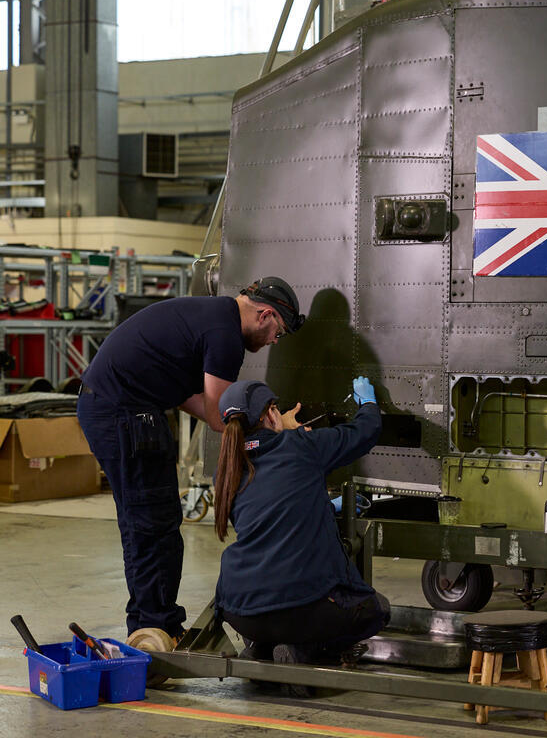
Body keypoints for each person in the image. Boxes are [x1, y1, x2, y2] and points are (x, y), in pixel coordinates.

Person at [76, 277, 306, 640]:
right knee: (152, 525)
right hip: (124, 413)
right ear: (265, 315)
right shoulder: (227, 336)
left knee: (153, 522)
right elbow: (221, 415)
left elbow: (187, 397)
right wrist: (275, 427)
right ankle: (152, 627)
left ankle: (157, 621)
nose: (273, 342)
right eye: (278, 333)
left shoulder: (214, 317)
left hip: (119, 408)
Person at [213, 375, 389, 679]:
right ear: (270, 414)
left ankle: (261, 646)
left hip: (239, 610)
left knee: (274, 607)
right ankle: (304, 652)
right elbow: (363, 432)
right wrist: (369, 403)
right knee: (378, 610)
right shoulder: (302, 446)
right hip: (299, 606)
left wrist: (320, 503)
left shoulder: (226, 470)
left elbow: (268, 510)